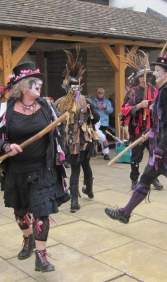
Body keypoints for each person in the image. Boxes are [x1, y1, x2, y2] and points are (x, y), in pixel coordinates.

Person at [104, 38, 167, 235]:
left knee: (149, 177)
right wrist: (152, 131)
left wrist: (159, 148)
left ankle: (125, 213)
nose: (154, 73)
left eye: (158, 70)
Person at [0, 62, 70, 273]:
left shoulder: (48, 106)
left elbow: (59, 130)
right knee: (21, 212)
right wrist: (6, 145)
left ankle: (41, 256)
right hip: (16, 171)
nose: (40, 84)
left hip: (43, 169)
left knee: (42, 212)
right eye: (35, 82)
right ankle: (27, 239)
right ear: (23, 86)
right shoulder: (6, 109)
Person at [55, 49, 100, 212]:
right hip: (83, 141)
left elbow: (56, 124)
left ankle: (75, 201)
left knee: (75, 169)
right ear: (79, 86)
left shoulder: (60, 102)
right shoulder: (86, 101)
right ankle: (89, 190)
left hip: (72, 142)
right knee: (85, 164)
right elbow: (97, 118)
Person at [120, 56, 163, 191]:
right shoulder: (132, 92)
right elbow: (123, 110)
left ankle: (154, 178)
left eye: (148, 77)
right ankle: (134, 179)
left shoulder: (155, 90)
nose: (146, 79)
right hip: (137, 131)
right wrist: (139, 106)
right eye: (143, 77)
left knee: (154, 156)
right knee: (136, 157)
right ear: (139, 78)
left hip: (152, 130)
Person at [92, 88, 113, 160]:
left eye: (102, 93)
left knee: (104, 138)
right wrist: (95, 108)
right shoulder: (93, 101)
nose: (100, 94)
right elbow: (90, 110)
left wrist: (105, 107)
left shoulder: (107, 101)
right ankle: (95, 151)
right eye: (99, 93)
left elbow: (111, 111)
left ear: (104, 94)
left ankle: (105, 153)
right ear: (96, 93)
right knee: (95, 137)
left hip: (104, 122)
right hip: (95, 122)